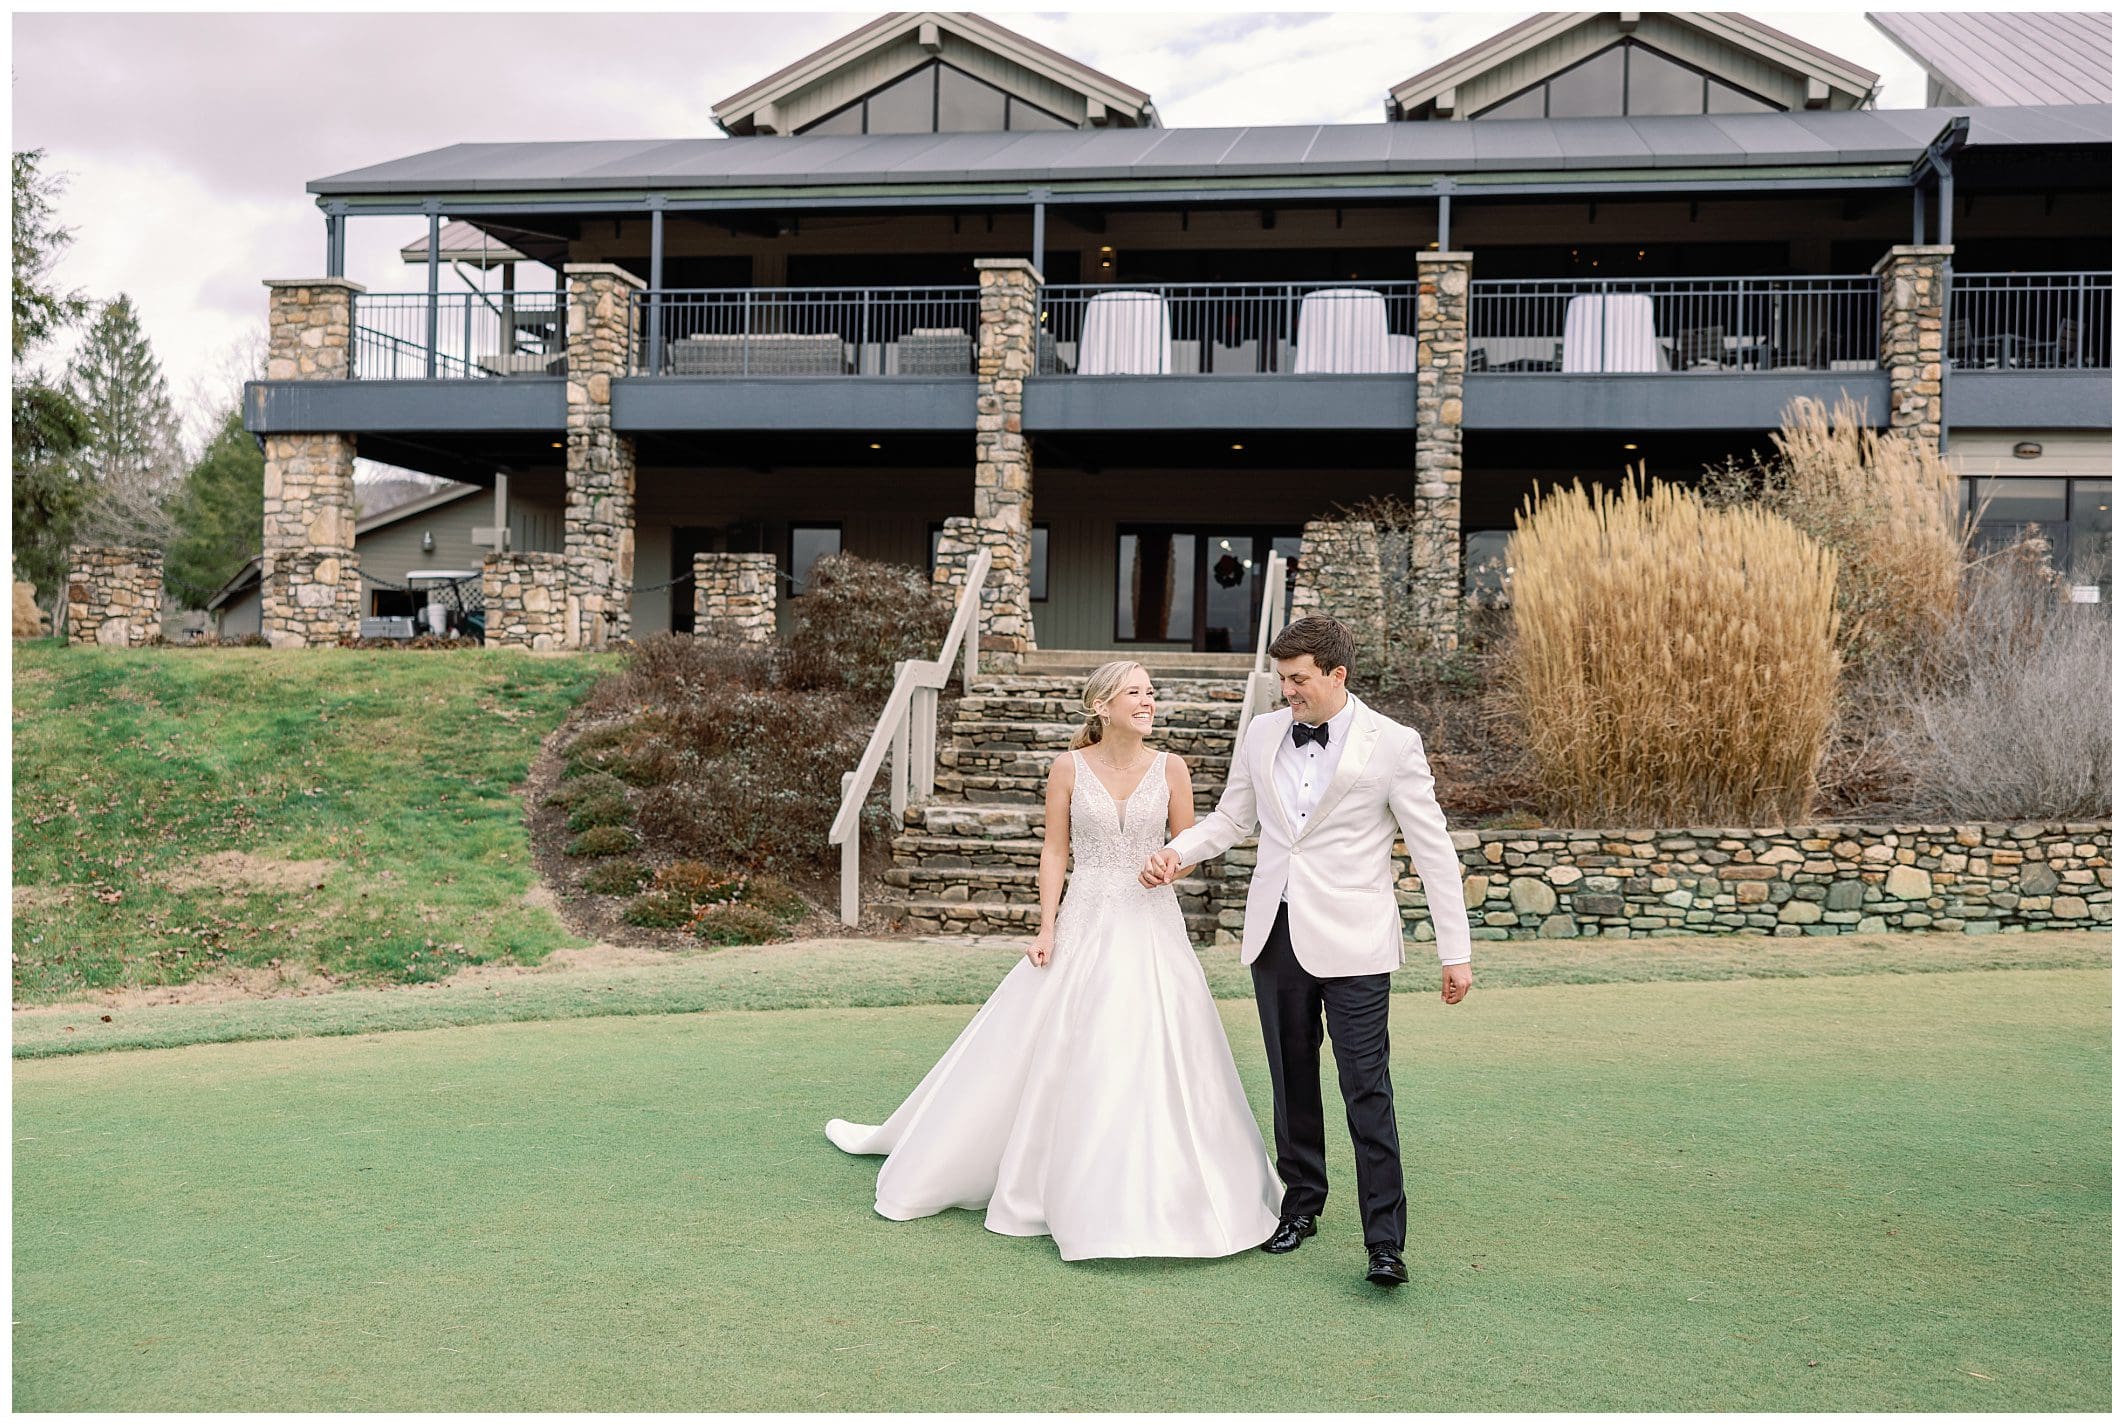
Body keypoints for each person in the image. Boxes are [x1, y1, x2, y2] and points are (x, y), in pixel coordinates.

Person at [827, 660, 1280, 1261]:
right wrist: (1046, 927)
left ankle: (1157, 1184)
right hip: (1086, 914)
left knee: (1155, 1040)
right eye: (1136, 693)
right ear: (1102, 705)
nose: (1148, 702)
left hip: (1151, 922)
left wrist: (1171, 862)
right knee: (1059, 1037)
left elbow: (1187, 844)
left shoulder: (1172, 768)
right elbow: (1055, 850)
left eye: (1150, 692)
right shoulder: (1067, 767)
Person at [1142, 615, 1473, 1289]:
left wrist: (1454, 949)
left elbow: (1434, 849)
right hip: (1277, 934)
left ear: (1336, 674)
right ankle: (1301, 1205)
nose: (1287, 691)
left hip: (1357, 942)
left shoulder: (1394, 744)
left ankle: (1385, 1242)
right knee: (1292, 1082)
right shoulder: (1263, 732)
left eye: (1298, 680)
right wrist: (1179, 851)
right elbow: (1234, 818)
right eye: (1282, 678)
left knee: (1366, 1088)